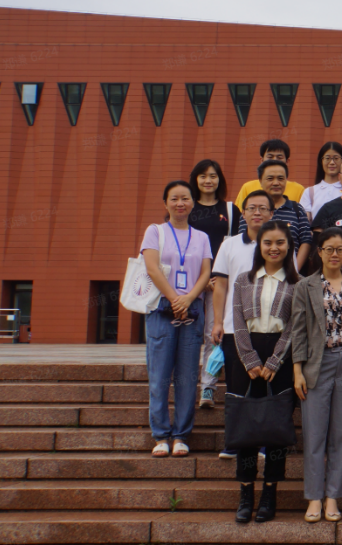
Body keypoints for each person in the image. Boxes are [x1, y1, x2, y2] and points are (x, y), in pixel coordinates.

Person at [227, 220, 299, 524]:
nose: (274, 248)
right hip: (246, 357)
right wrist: (249, 358)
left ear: (289, 246)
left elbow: (295, 325)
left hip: (281, 357)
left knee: (276, 429)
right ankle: (246, 494)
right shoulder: (243, 280)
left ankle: (270, 495)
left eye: (280, 242)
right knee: (246, 427)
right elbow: (237, 320)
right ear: (260, 246)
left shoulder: (298, 283)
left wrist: (274, 361)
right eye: (268, 242)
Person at [291, 228, 342, 523]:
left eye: (340, 249)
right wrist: (297, 370)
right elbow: (297, 330)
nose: (335, 254)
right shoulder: (305, 285)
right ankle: (314, 497)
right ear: (319, 252)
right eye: (329, 249)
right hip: (316, 364)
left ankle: (333, 496)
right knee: (314, 433)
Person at [143, 180, 213, 459]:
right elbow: (151, 267)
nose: (180, 203)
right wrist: (175, 298)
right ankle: (161, 435)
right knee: (159, 375)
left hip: (192, 308)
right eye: (174, 198)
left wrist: (188, 298)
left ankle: (181, 435)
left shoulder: (201, 236)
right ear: (166, 203)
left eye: (185, 198)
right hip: (162, 307)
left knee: (187, 375)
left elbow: (206, 272)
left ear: (193, 203)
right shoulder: (155, 231)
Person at [209, 190, 274, 459]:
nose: (257, 212)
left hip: (270, 328)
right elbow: (220, 286)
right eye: (251, 208)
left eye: (263, 208)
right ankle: (234, 442)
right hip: (234, 328)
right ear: (243, 213)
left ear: (271, 213)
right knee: (236, 387)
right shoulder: (229, 245)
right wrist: (217, 322)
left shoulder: (281, 244)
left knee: (264, 387)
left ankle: (263, 442)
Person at [188, 159, 235, 409]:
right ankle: (185, 385)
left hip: (220, 281)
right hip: (189, 284)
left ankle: (208, 386)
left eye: (213, 176)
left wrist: (219, 276)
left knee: (213, 334)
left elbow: (237, 245)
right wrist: (201, 278)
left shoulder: (230, 210)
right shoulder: (187, 208)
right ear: (195, 180)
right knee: (190, 335)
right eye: (203, 176)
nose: (208, 180)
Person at [234, 159, 312, 271]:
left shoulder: (297, 209)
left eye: (280, 178)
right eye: (270, 178)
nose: (276, 183)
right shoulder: (251, 210)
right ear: (260, 181)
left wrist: (294, 270)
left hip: (290, 272)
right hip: (255, 272)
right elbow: (244, 240)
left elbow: (305, 241)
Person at [234, 139, 305, 210]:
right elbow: (241, 213)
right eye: (270, 157)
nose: (274, 160)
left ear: (287, 162)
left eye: (279, 157)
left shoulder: (298, 189)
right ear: (262, 160)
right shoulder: (247, 187)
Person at [300, 142, 342, 220]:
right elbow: (304, 221)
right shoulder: (310, 192)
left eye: (336, 158)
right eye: (327, 158)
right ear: (321, 161)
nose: (332, 162)